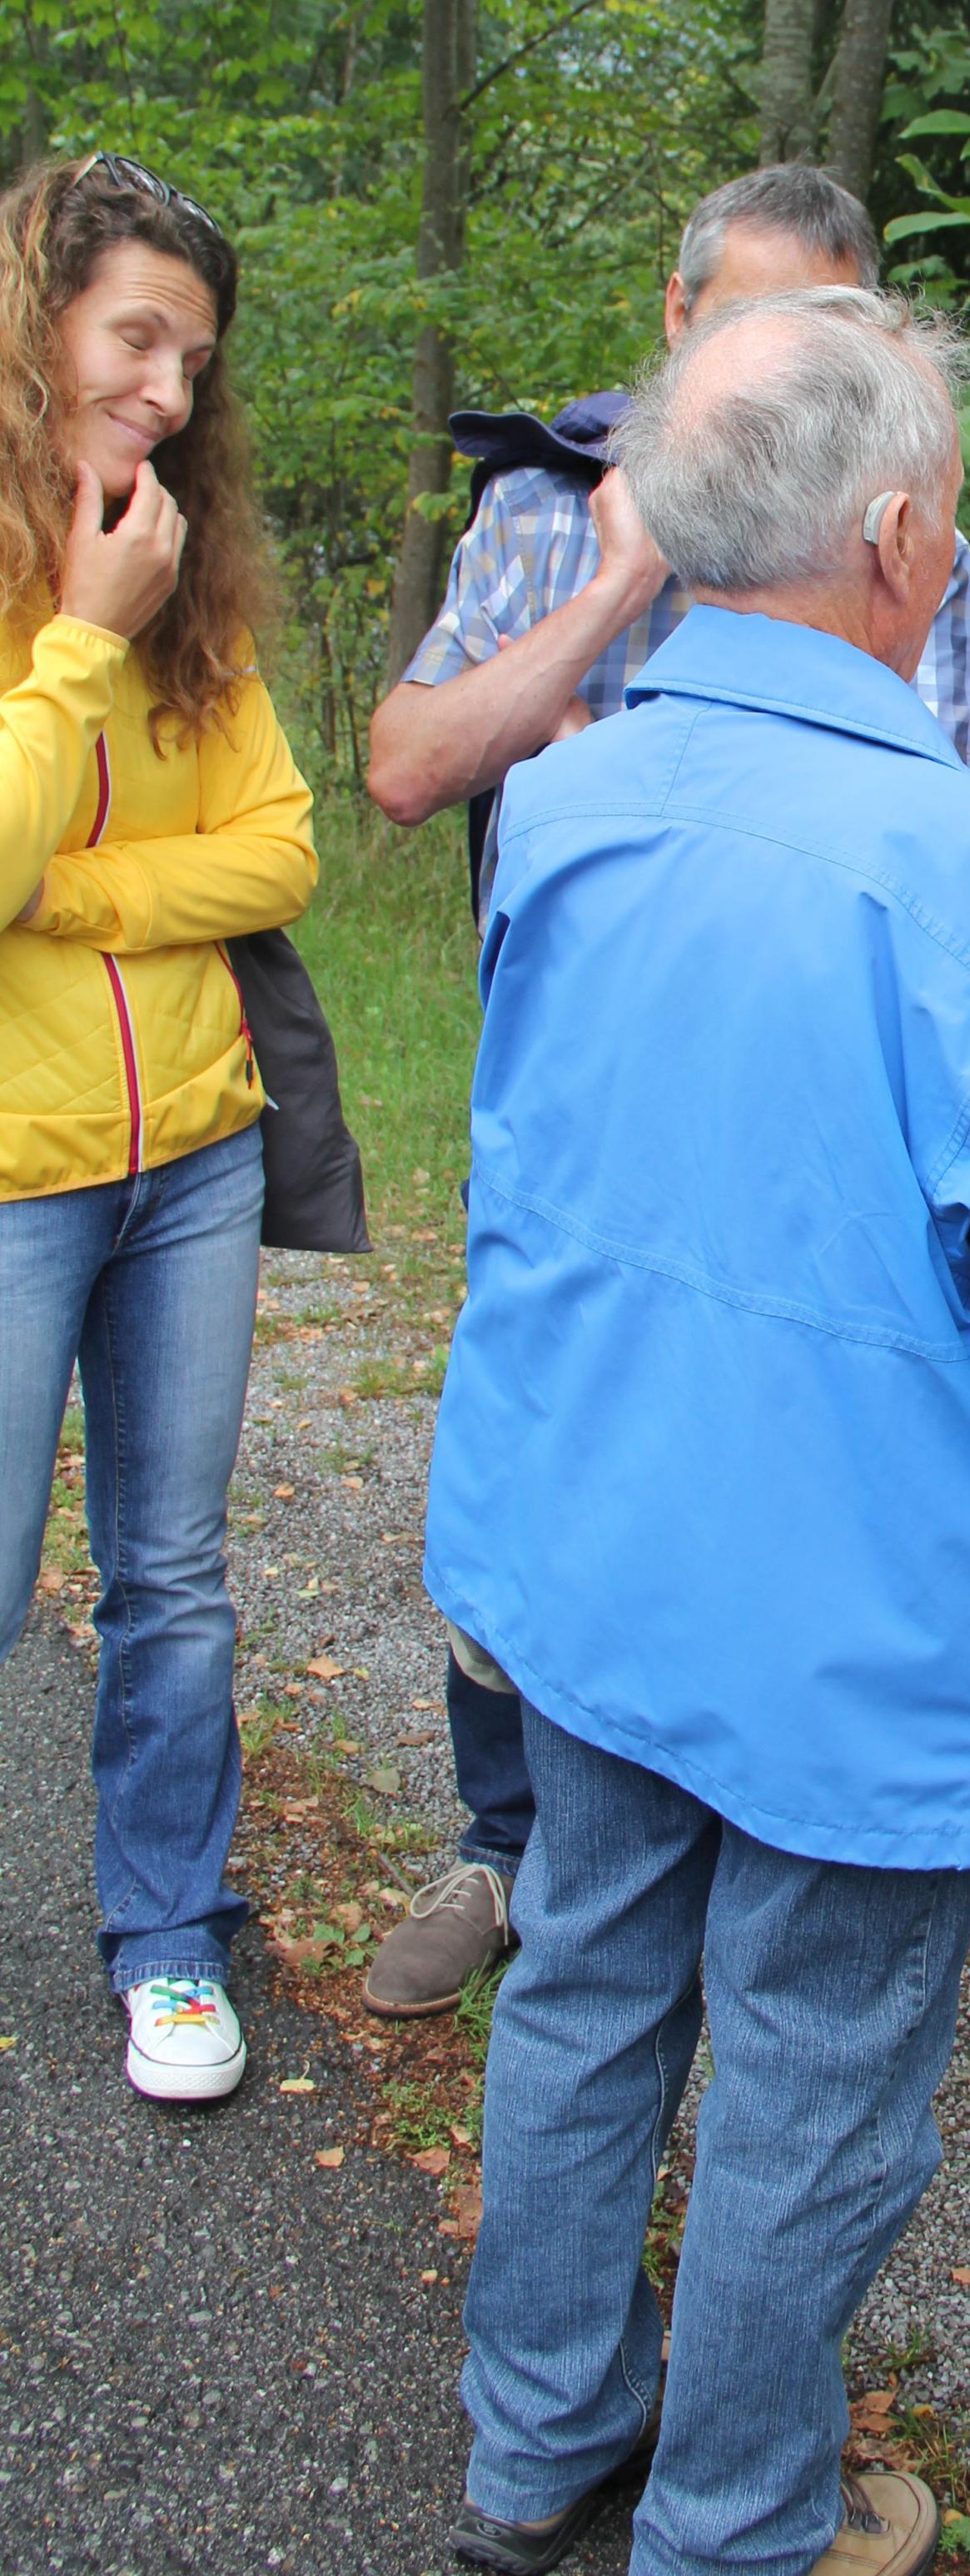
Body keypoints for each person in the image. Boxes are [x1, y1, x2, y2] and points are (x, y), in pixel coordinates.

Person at [423, 290, 970, 2576]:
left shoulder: (567, 797)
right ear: (892, 535)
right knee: (808, 2070)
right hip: (858, 1612)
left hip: (595, 1538)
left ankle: (533, 2440)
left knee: (587, 1975)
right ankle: (737, 2519)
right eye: (948, 504)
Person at [361, 162, 970, 2021]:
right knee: (544, 1446)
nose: (782, 366)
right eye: (748, 322)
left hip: (797, 1088)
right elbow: (408, 762)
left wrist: (579, 748)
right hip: (572, 1084)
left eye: (825, 327)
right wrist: (628, 580)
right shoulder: (544, 508)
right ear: (675, 316)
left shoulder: (902, 533)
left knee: (754, 1453)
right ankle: (507, 1844)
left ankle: (711, 1844)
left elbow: (930, 810)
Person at [0, 152, 318, 2106]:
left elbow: (277, 845)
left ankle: (169, 1931)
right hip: (13, 1171)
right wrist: (79, 634)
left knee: (174, 1575)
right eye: (137, 338)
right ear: (36, 326)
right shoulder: (93, 590)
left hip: (192, 1147)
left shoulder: (188, 566)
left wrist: (85, 892)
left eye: (194, 358)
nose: (169, 390)